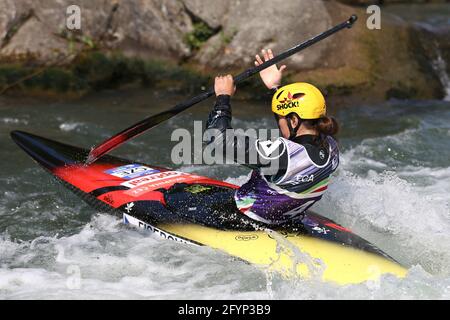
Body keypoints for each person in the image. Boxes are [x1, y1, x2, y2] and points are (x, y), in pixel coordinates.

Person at [200, 48, 340, 226]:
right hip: (287, 220)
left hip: (246, 220)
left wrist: (223, 98)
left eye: (279, 118)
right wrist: (276, 89)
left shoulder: (281, 155)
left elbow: (216, 139)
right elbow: (297, 132)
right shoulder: (331, 147)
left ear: (294, 121)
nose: (278, 123)